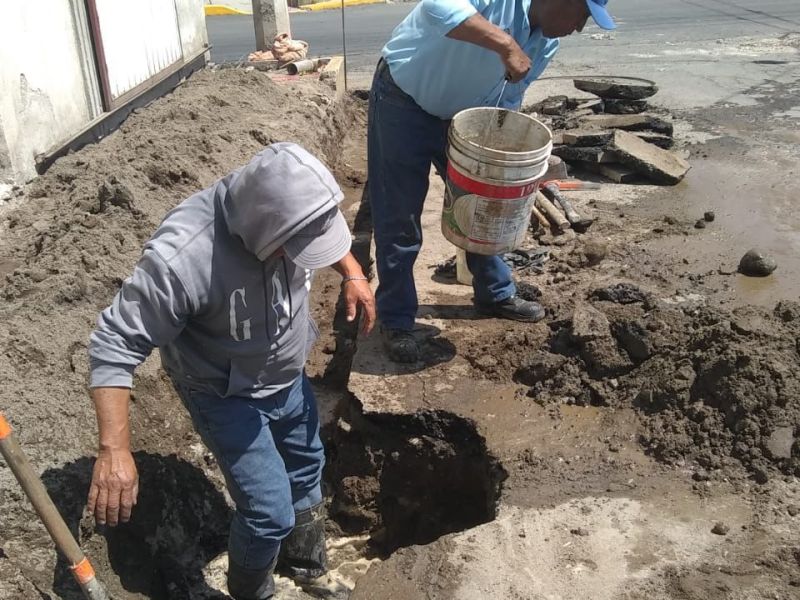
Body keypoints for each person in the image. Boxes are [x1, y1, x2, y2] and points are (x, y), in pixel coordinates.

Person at [85, 143, 375, 600]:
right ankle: (252, 590)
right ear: (262, 229)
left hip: (287, 371)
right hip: (224, 392)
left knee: (306, 465)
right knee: (268, 513)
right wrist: (114, 450)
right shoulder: (183, 260)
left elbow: (318, 224)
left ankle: (305, 565)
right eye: (297, 248)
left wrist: (352, 271)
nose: (305, 255)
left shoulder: (291, 211)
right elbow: (114, 343)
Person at [369, 0, 616, 362]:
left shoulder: (544, 43)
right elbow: (436, 8)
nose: (578, 28)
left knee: (485, 203)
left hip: (464, 118)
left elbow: (510, 96)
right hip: (402, 102)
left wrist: (501, 153)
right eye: (582, 16)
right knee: (399, 215)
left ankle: (495, 292)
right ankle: (396, 320)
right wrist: (506, 45)